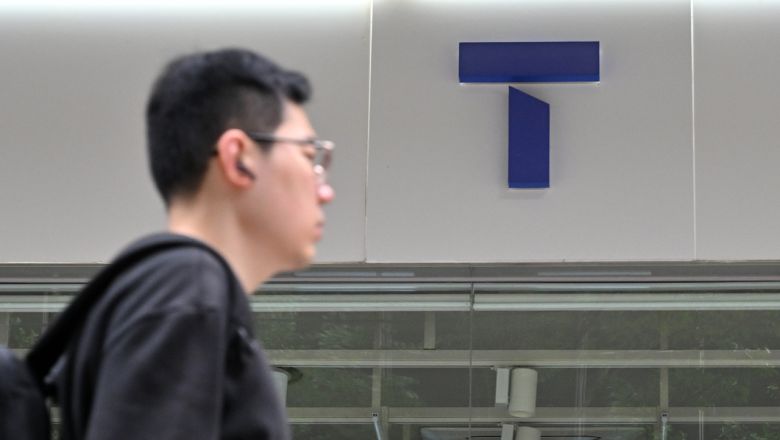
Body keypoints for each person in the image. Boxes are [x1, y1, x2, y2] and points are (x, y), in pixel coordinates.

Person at [49, 48, 335, 439]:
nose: (325, 191)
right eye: (309, 155)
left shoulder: (164, 289)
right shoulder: (188, 289)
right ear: (238, 158)